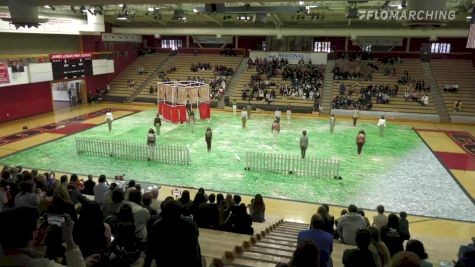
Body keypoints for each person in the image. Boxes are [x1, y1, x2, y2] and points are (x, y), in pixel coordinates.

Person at [0, 207, 93, 267]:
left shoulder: (6, 254)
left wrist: (38, 242)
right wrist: (69, 238)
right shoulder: (41, 265)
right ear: (27, 234)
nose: (42, 226)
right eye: (38, 224)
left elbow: (29, 256)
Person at [144, 199, 202, 267]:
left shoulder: (157, 225)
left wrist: (146, 264)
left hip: (163, 262)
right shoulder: (189, 225)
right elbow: (194, 251)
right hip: (184, 262)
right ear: (180, 213)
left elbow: (150, 249)